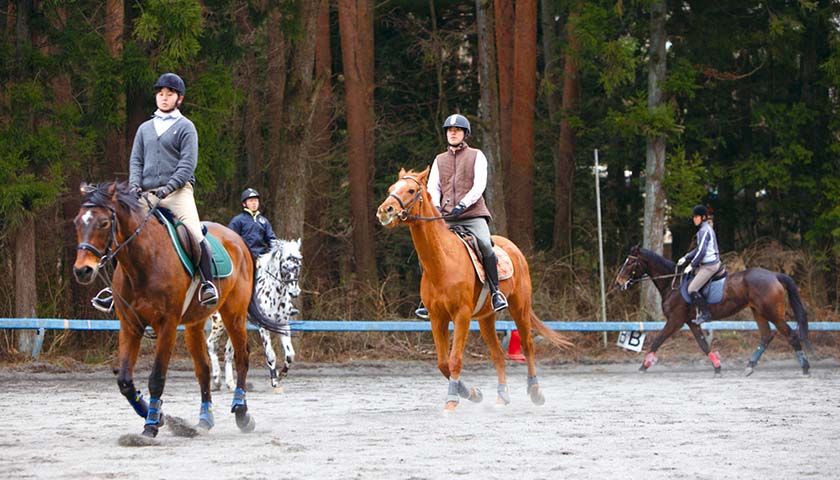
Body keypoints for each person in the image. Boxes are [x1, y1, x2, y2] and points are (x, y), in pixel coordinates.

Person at [91, 72, 218, 312]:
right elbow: (136, 161)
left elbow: (187, 164)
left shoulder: (186, 128)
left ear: (179, 98)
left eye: (169, 94)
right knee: (121, 231)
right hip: (146, 193)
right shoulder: (144, 129)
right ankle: (113, 289)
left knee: (194, 232)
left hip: (178, 192)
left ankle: (207, 284)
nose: (163, 98)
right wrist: (135, 185)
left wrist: (170, 187)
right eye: (160, 94)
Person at [414, 113, 508, 319]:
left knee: (484, 244)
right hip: (446, 217)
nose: (453, 133)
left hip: (472, 214)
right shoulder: (439, 160)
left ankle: (495, 293)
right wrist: (437, 208)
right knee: (427, 250)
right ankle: (425, 299)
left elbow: (479, 185)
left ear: (465, 134)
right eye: (449, 130)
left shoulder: (477, 156)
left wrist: (464, 204)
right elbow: (433, 187)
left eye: (457, 130)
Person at [677, 204, 720, 324]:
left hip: (710, 266)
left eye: (696, 217)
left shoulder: (704, 231)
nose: (694, 219)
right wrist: (686, 257)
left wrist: (692, 265)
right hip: (706, 264)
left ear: (703, 217)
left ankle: (706, 314)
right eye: (694, 217)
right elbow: (698, 249)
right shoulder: (703, 230)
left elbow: (702, 252)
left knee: (692, 288)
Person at [228, 188, 277, 265]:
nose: (254, 203)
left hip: (261, 258)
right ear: (244, 204)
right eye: (251, 201)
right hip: (243, 258)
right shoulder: (238, 220)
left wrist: (275, 254)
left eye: (256, 201)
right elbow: (230, 240)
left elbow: (271, 239)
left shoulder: (264, 221)